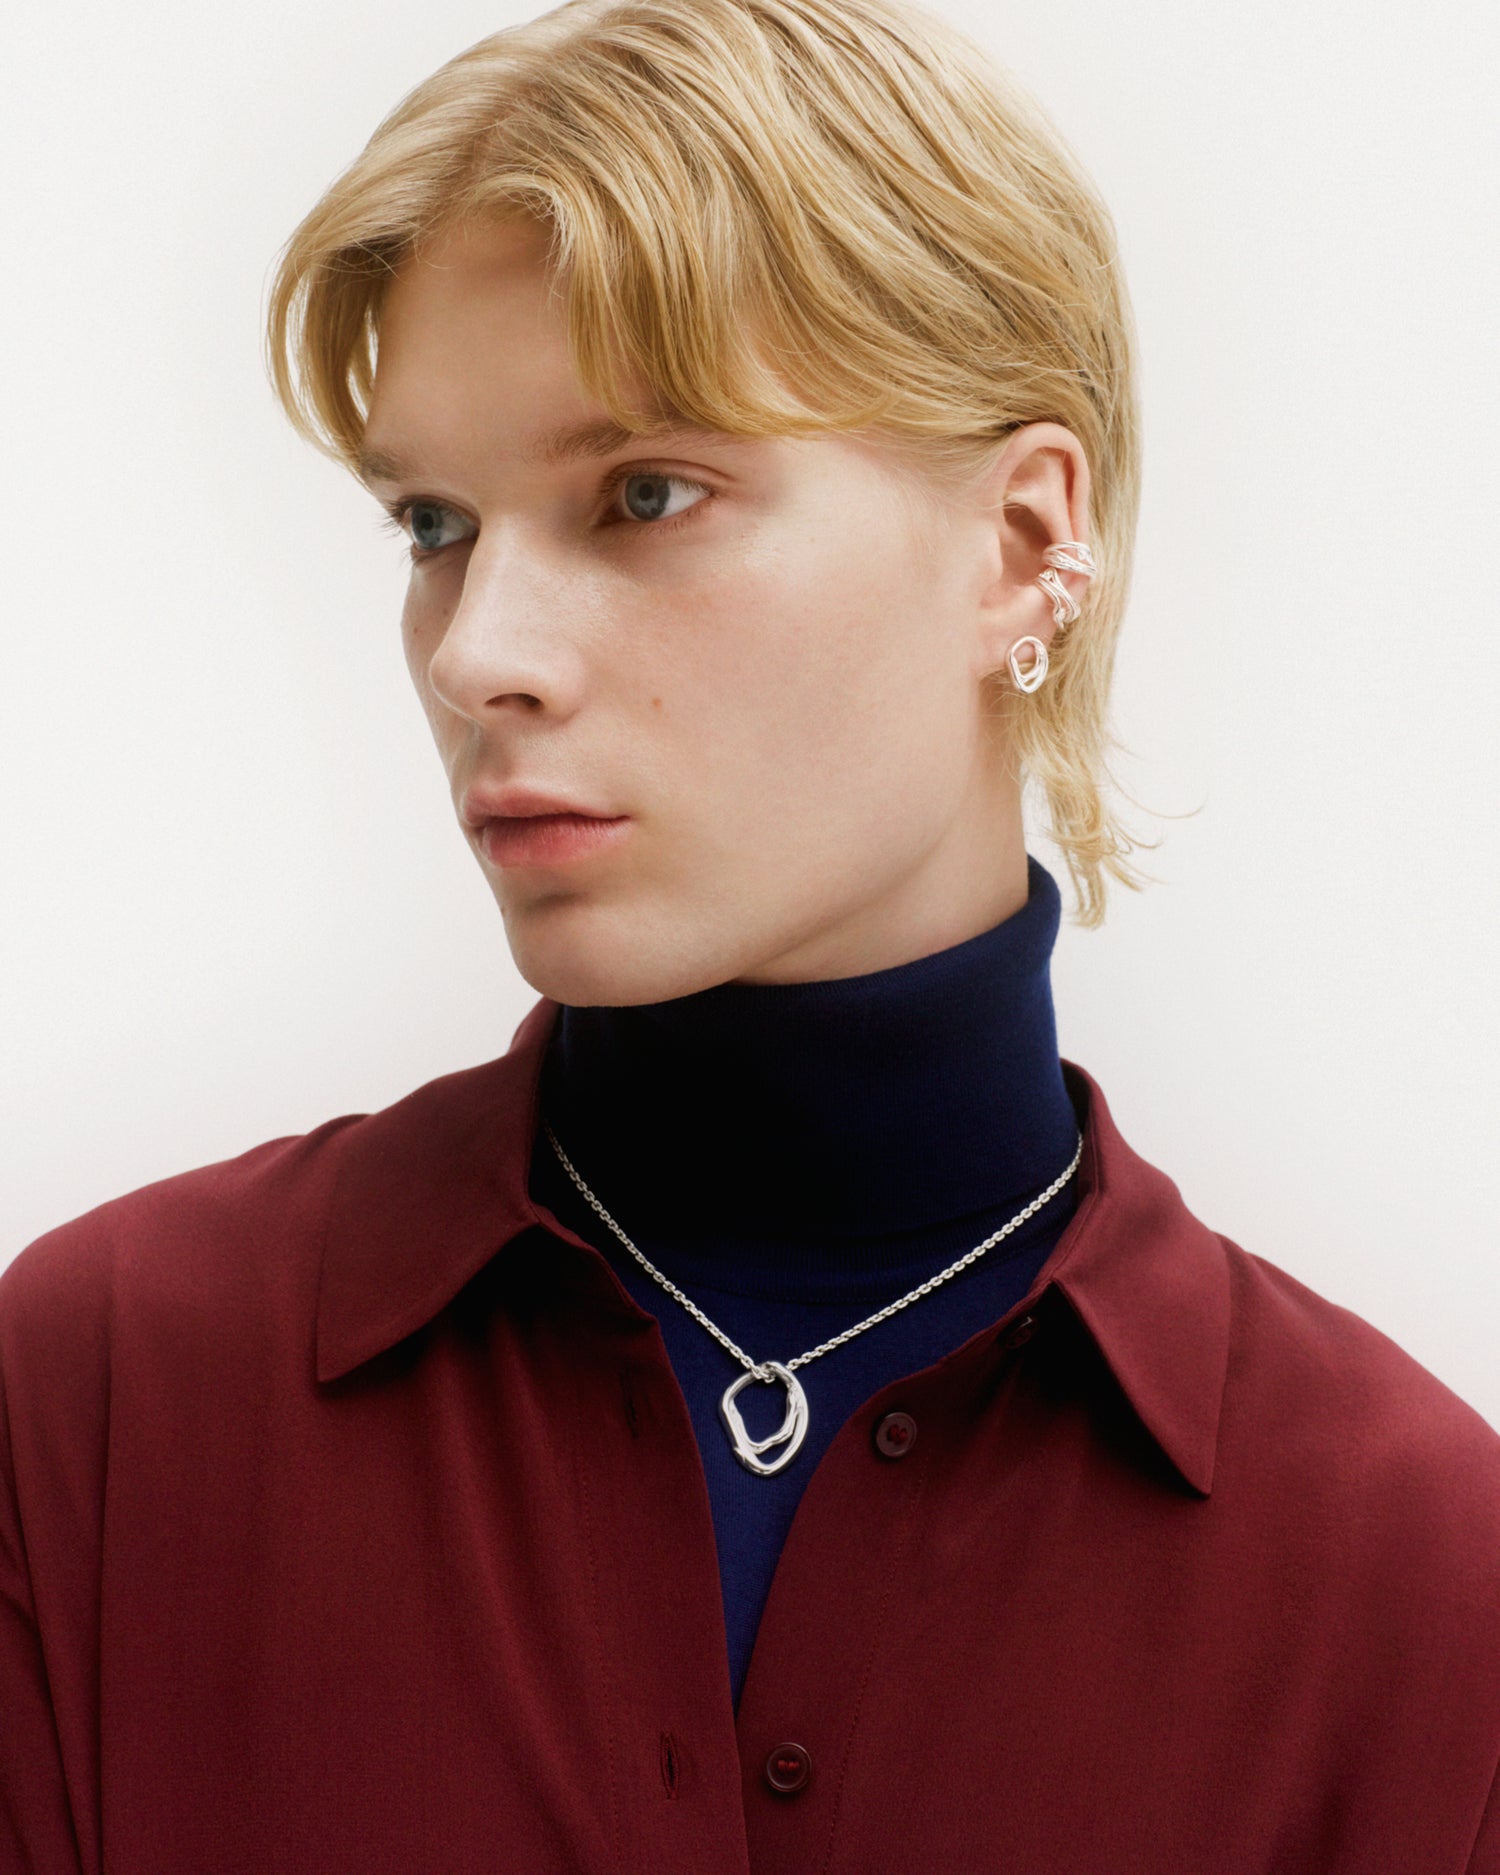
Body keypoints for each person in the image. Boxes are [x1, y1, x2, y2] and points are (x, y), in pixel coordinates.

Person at [3, 0, 1497, 1866]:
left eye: (645, 495)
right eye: (435, 524)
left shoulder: (1417, 1576)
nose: (478, 655)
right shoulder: (111, 1400)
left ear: (1021, 545)